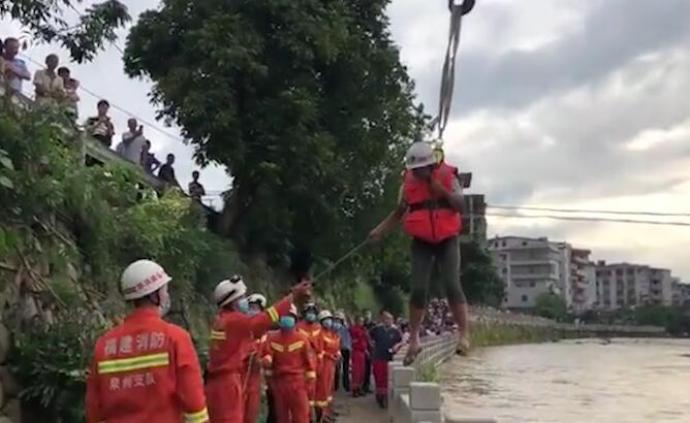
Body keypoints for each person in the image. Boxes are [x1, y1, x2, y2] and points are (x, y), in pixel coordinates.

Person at [369, 141, 469, 365]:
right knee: (418, 290)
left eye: (421, 169)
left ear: (431, 165)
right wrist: (380, 231)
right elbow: (398, 212)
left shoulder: (448, 177)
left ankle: (464, 334)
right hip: (422, 240)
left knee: (452, 285)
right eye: (414, 170)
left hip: (447, 239)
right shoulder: (407, 184)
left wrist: (440, 191)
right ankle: (414, 339)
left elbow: (461, 206)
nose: (417, 173)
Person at [85, 259, 209, 423]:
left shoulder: (105, 345)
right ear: (154, 295)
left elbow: (94, 407)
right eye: (164, 290)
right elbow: (193, 401)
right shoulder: (175, 338)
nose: (166, 295)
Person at [205, 275, 311, 423]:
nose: (245, 300)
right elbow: (263, 320)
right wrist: (291, 297)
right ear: (233, 300)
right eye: (242, 296)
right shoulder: (234, 320)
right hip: (227, 384)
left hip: (224, 381)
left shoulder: (222, 320)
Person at [262, 306, 316, 423]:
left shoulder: (302, 339)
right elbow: (268, 360)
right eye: (283, 316)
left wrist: (308, 387)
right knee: (282, 417)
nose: (286, 318)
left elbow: (310, 366)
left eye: (289, 316)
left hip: (298, 383)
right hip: (279, 383)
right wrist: (271, 384)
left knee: (301, 417)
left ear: (295, 319)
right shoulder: (272, 338)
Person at [369, 311, 403, 408]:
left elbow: (401, 341)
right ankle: (379, 395)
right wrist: (371, 344)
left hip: (389, 358)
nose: (387, 321)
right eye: (385, 319)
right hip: (378, 356)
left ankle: (384, 397)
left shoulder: (395, 331)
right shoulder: (377, 329)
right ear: (382, 320)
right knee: (378, 377)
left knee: (386, 378)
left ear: (392, 320)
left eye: (389, 319)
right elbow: (368, 335)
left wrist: (397, 346)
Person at [243, 293, 268, 423]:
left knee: (251, 413)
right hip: (240, 378)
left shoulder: (265, 336)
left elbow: (268, 355)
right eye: (250, 307)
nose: (252, 311)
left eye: (256, 308)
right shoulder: (240, 330)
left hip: (256, 379)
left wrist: (263, 361)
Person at [314, 310, 340, 422]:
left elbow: (336, 347)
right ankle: (322, 416)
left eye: (329, 319)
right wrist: (330, 355)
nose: (328, 322)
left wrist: (337, 353)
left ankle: (328, 411)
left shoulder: (333, 334)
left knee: (330, 389)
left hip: (332, 364)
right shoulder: (319, 334)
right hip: (323, 364)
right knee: (323, 390)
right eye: (326, 320)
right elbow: (319, 350)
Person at [296, 302, 323, 409]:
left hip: (315, 362)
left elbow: (320, 348)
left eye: (313, 312)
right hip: (301, 362)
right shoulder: (298, 327)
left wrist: (320, 365)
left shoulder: (318, 328)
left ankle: (311, 415)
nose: (311, 314)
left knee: (314, 389)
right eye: (309, 312)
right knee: (302, 389)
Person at [349, 316, 369, 397]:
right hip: (356, 351)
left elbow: (365, 341)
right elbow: (356, 338)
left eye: (362, 321)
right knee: (356, 371)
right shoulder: (354, 329)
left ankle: (359, 388)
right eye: (360, 321)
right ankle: (355, 389)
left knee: (362, 371)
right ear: (356, 321)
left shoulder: (363, 329)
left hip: (362, 352)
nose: (362, 323)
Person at [333, 311, 351, 392]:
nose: (337, 322)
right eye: (336, 320)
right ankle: (335, 385)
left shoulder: (345, 329)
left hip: (345, 349)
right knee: (336, 368)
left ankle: (346, 385)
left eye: (339, 320)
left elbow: (348, 339)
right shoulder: (331, 329)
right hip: (335, 349)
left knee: (346, 368)